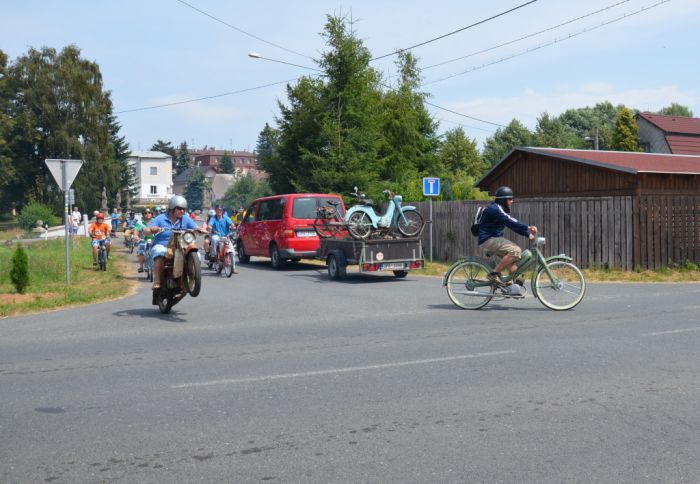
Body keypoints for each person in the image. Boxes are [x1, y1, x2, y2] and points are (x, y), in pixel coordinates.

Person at [142, 195, 209, 290]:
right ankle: (157, 281)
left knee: (196, 254)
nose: (182, 211)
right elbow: (145, 231)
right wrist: (152, 229)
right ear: (172, 208)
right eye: (179, 209)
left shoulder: (185, 218)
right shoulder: (160, 218)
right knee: (158, 252)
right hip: (163, 245)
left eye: (184, 209)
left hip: (182, 245)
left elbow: (195, 228)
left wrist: (201, 230)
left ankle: (192, 279)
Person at [477, 186, 538, 285]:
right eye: (510, 199)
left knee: (514, 259)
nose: (512, 201)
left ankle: (510, 283)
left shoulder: (499, 209)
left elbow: (510, 225)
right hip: (488, 240)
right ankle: (493, 274)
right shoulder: (495, 209)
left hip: (493, 239)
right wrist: (528, 227)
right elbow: (510, 221)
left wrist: (527, 234)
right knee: (515, 250)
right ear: (503, 200)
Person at [203, 205, 236, 272]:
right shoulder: (213, 218)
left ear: (222, 211)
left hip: (225, 236)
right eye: (218, 210)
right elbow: (209, 225)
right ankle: (214, 255)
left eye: (220, 210)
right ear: (216, 211)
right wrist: (209, 227)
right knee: (214, 239)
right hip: (216, 235)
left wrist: (233, 226)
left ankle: (233, 268)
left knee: (232, 250)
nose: (219, 211)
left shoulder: (226, 218)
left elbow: (231, 224)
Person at [133, 209, 154, 273]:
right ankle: (141, 267)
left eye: (149, 212)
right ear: (143, 215)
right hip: (143, 240)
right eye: (145, 213)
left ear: (152, 214)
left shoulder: (155, 221)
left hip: (154, 240)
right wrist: (135, 236)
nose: (147, 214)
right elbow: (136, 230)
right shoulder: (140, 223)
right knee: (141, 251)